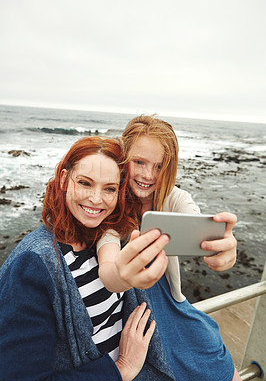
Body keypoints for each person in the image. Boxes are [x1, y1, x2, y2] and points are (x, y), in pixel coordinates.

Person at [0, 136, 172, 381]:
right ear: (63, 180)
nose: (96, 199)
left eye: (110, 188)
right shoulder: (32, 265)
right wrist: (122, 368)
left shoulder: (104, 236)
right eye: (85, 183)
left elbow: (161, 192)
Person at [96, 115, 241, 380]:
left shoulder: (174, 198)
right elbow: (108, 265)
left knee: (222, 365)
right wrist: (120, 274)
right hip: (132, 306)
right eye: (139, 162)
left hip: (171, 302)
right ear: (123, 156)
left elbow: (196, 222)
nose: (147, 175)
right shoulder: (110, 201)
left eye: (159, 166)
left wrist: (224, 248)